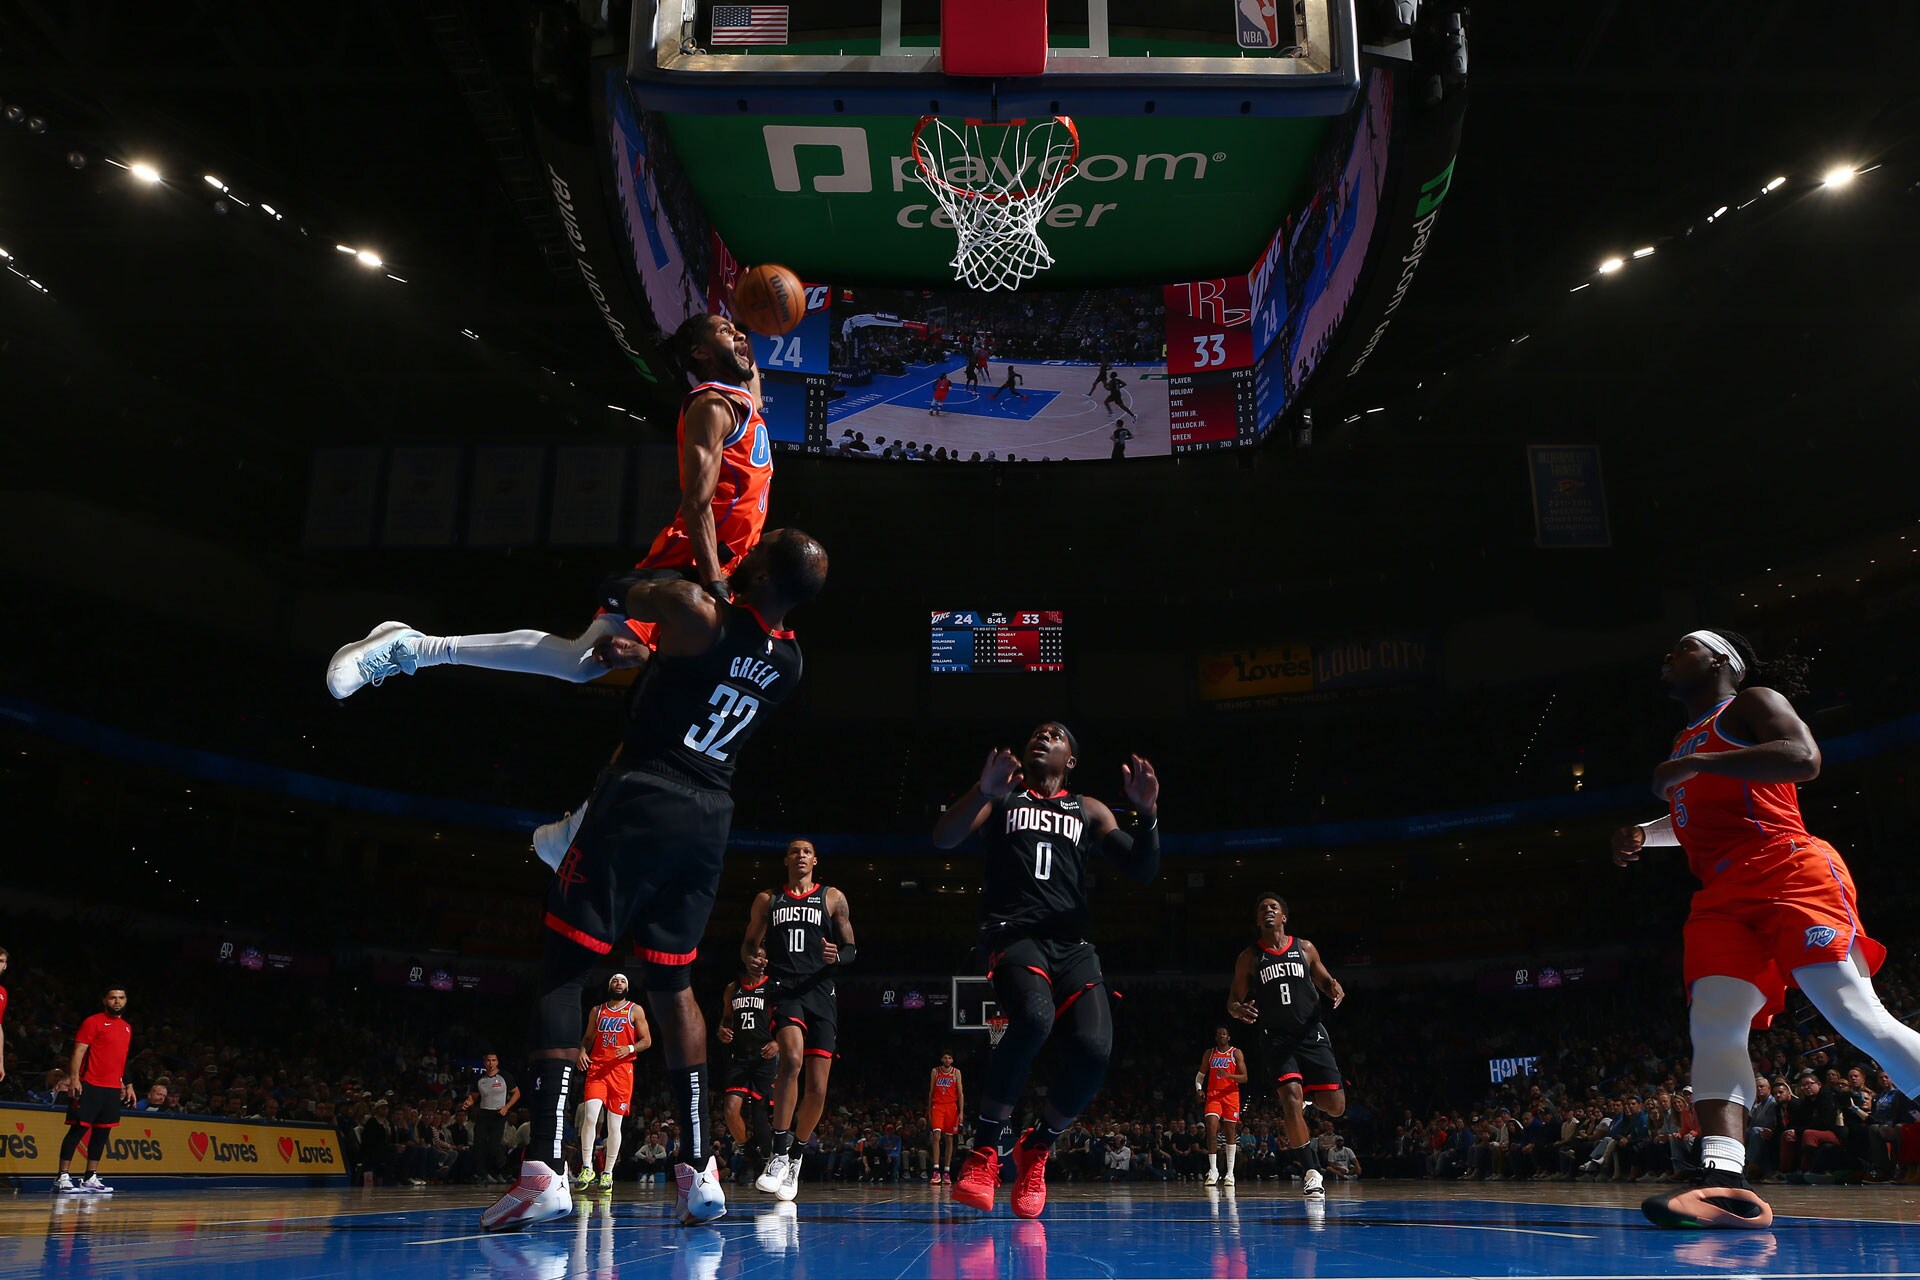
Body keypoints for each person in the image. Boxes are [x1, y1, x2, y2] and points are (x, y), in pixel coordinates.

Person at [478, 528, 829, 1232]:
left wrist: (682, 568)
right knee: (673, 987)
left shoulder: (697, 611)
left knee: (565, 970)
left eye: (760, 548)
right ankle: (699, 1171)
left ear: (761, 573)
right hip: (709, 818)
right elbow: (709, 675)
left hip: (643, 794)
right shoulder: (790, 662)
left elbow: (616, 588)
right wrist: (654, 657)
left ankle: (544, 1168)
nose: (748, 550)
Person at [1618, 630, 1920, 1229]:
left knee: (1854, 1014)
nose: (1668, 656)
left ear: (1720, 661)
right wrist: (1645, 834)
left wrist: (1696, 763)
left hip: (1787, 866)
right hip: (1721, 893)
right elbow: (1702, 814)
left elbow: (1804, 759)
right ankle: (1725, 1183)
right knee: (1714, 1025)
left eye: (1684, 647)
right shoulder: (1684, 740)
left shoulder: (1751, 702)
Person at [327, 312, 771, 700]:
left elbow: (750, 368)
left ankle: (413, 646)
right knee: (586, 661)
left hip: (724, 567)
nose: (737, 337)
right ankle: (411, 647)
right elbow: (696, 505)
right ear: (699, 352)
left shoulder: (746, 400)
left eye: (738, 333)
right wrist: (715, 586)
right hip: (692, 561)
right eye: (724, 331)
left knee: (592, 664)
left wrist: (749, 320)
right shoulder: (711, 406)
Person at [933, 722, 1161, 1219]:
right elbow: (944, 837)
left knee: (1096, 1049)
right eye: (1038, 733)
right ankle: (984, 1152)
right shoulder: (1003, 797)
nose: (1044, 737)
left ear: (1070, 760)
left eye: (1055, 735)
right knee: (1034, 1019)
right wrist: (981, 791)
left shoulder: (1089, 809)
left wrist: (1147, 815)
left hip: (1072, 946)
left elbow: (1142, 869)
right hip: (1014, 936)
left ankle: (1036, 1149)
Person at [745, 839, 858, 1203]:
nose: (801, 856)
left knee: (819, 1089)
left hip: (821, 992)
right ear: (786, 860)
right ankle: (778, 1153)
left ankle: (795, 1157)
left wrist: (838, 956)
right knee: (791, 1060)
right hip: (784, 989)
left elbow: (851, 948)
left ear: (815, 860)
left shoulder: (832, 897)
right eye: (794, 851)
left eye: (806, 851)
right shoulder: (768, 899)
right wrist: (752, 960)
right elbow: (749, 944)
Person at [1228, 893, 1348, 1200]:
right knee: (1290, 1100)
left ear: (1284, 917)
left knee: (1336, 1107)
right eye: (1262, 908)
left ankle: (1309, 1097)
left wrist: (1334, 987)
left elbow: (1325, 980)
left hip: (1310, 1033)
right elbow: (1233, 1001)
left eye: (1274, 907)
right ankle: (1312, 1172)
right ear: (1258, 921)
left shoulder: (1304, 948)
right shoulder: (1250, 956)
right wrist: (1238, 1009)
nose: (1268, 910)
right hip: (1276, 1038)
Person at [54, 986, 136, 1195]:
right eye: (113, 997)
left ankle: (90, 1177)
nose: (117, 1001)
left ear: (126, 1000)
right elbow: (78, 1051)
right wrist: (74, 1079)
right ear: (104, 1000)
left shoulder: (127, 1027)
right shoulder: (93, 1022)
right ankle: (62, 1177)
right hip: (90, 1084)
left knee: (102, 1133)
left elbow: (122, 1058)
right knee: (78, 1130)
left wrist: (128, 1084)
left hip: (112, 1089)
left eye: (121, 998)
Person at [575, 974, 650, 1191]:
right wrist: (582, 1051)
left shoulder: (635, 1010)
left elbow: (647, 1040)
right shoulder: (597, 1011)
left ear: (627, 987)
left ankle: (607, 1172)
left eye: (623, 981)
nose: (619, 983)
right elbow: (588, 1038)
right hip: (598, 1068)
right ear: (609, 986)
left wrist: (630, 1048)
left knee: (613, 1124)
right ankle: (587, 1167)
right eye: (615, 981)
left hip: (621, 1070)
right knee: (590, 1116)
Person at [716, 961, 777, 1178]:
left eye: (762, 957)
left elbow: (784, 1020)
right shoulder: (733, 988)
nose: (758, 962)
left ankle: (771, 1161)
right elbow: (727, 1019)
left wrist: (778, 1042)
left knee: (760, 1116)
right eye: (754, 957)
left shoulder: (772, 986)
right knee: (730, 1110)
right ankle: (749, 1152)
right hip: (740, 1056)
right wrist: (722, 1030)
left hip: (764, 1056)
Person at [1198, 1026, 1249, 1186]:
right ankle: (1213, 1170)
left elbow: (1244, 1077)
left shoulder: (1235, 1053)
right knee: (1211, 1128)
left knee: (1230, 1132)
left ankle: (1230, 1173)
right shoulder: (1209, 1053)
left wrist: (1228, 1075)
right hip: (1213, 1095)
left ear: (1229, 1037)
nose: (1222, 1036)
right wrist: (1199, 1089)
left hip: (1231, 1095)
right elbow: (1200, 1076)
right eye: (1219, 1034)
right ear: (1216, 1038)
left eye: (1224, 1034)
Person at [463, 1053, 521, 1186]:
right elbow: (473, 1096)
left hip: (498, 1114)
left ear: (497, 1062)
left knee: (494, 1146)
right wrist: (468, 1102)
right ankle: (482, 1175)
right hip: (483, 1113)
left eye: (493, 1060)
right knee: (479, 1145)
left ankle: (499, 1171)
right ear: (484, 1063)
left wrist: (507, 1106)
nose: (491, 1063)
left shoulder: (505, 1076)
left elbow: (517, 1093)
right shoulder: (480, 1078)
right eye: (488, 1061)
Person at [927, 1051, 965, 1185]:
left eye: (949, 1058)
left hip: (951, 1107)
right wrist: (929, 1111)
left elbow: (960, 1093)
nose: (947, 1060)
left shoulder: (956, 1072)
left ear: (952, 1060)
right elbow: (931, 1092)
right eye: (945, 1057)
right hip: (938, 1106)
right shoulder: (935, 1071)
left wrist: (961, 1112)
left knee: (949, 1139)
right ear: (941, 1059)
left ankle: (947, 1172)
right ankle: (936, 1170)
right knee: (936, 1136)